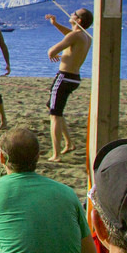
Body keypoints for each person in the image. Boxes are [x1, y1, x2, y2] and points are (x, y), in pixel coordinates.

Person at [42, 9, 92, 161]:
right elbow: (69, 36)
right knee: (53, 108)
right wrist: (56, 24)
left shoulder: (75, 35)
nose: (71, 13)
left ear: (79, 20)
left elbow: (52, 51)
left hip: (64, 77)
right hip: (74, 77)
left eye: (75, 13)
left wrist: (52, 53)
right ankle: (69, 143)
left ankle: (56, 154)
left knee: (54, 115)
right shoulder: (84, 36)